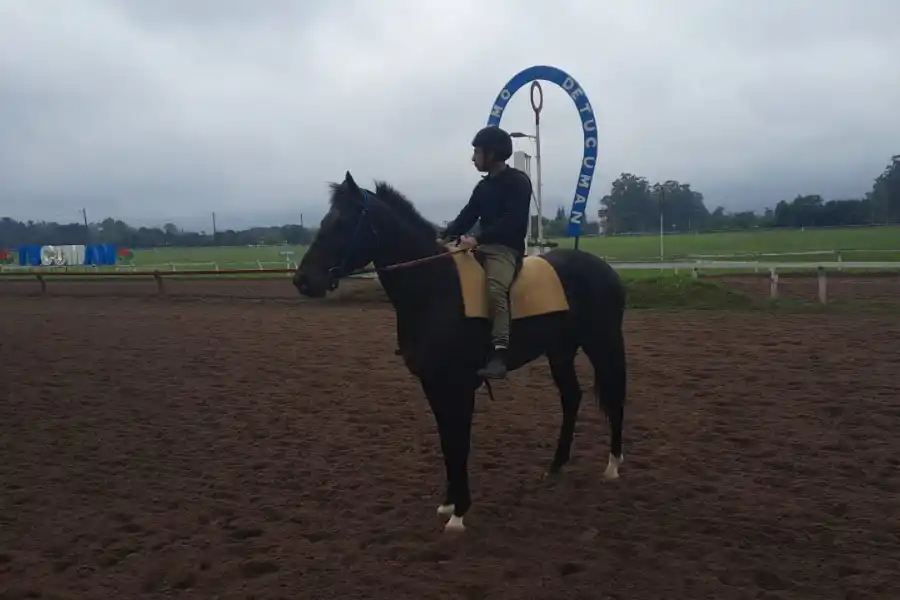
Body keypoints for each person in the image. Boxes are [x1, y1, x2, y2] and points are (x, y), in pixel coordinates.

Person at [439, 125, 533, 379]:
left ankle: (500, 351)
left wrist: (477, 238)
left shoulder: (518, 182)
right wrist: (443, 237)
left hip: (504, 250)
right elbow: (466, 216)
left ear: (492, 153)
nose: (473, 158)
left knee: (494, 289)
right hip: (480, 246)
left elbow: (512, 221)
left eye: (477, 152)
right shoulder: (483, 187)